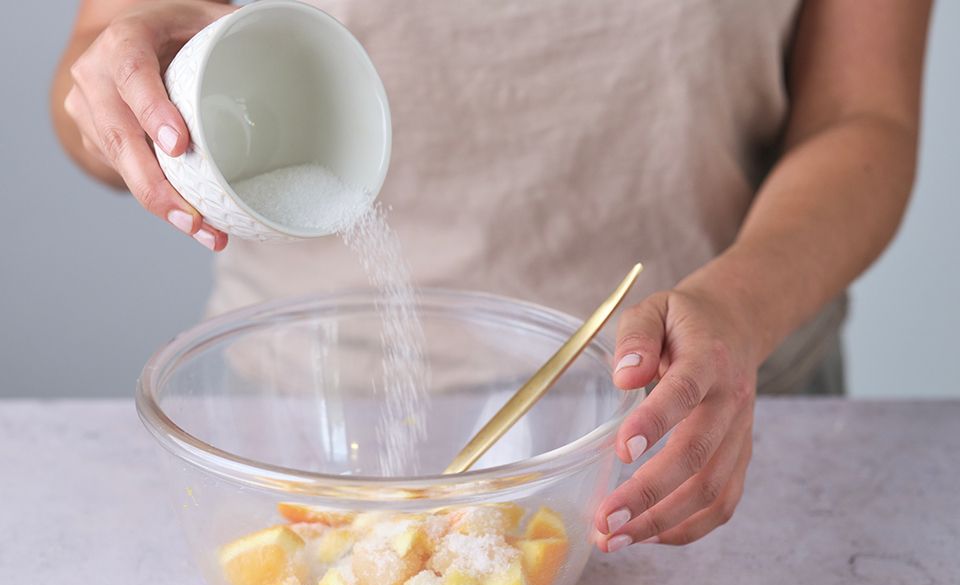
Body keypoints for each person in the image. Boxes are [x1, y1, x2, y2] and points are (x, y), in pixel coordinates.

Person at [52, 0, 931, 551]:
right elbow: (97, 60)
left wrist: (738, 305)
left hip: (696, 413)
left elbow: (864, 114)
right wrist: (128, 101)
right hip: (303, 426)